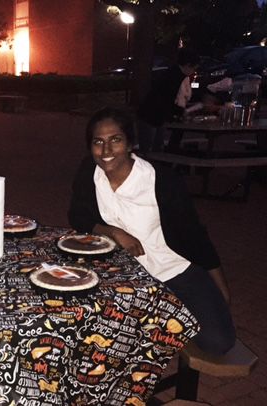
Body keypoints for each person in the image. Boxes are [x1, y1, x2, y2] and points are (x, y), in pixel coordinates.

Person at [68, 107, 235, 355]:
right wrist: (113, 232)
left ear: (130, 143)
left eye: (115, 140)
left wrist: (221, 290)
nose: (105, 151)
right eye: (98, 142)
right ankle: (156, 316)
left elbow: (196, 237)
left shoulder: (163, 182)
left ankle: (160, 314)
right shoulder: (89, 172)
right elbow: (77, 216)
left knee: (218, 342)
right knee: (88, 328)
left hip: (174, 270)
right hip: (124, 274)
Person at [137, 48, 200, 153]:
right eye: (194, 68)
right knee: (149, 149)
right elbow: (165, 100)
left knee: (154, 147)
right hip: (151, 116)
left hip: (153, 115)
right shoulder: (174, 76)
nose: (193, 72)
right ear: (188, 65)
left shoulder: (174, 74)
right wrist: (179, 112)